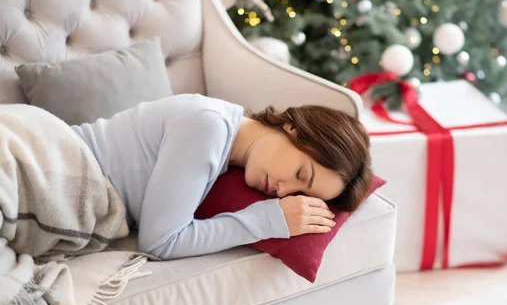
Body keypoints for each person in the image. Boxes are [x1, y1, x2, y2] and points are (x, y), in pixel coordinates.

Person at [71, 93, 373, 260]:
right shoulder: (208, 127)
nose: (283, 193)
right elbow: (160, 243)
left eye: (299, 194)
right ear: (294, 129)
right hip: (61, 164)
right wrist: (268, 221)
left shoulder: (225, 141)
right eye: (299, 173)